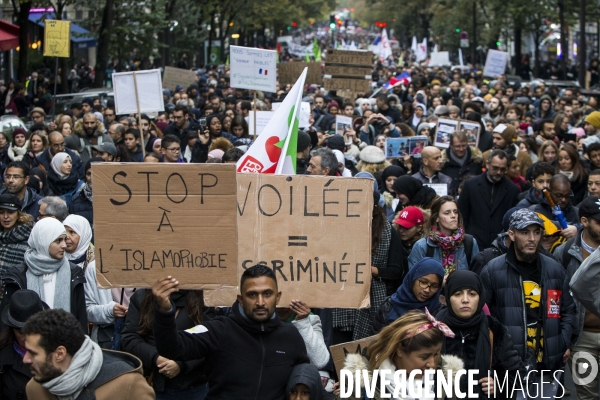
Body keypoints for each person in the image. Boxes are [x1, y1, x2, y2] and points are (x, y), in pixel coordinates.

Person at [152, 265, 310, 399]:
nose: (260, 302)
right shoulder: (220, 330)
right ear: (241, 299)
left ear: (278, 297)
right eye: (252, 295)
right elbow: (172, 348)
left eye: (267, 294)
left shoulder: (291, 336)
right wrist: (164, 311)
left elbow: (305, 378)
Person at [481, 209, 575, 398]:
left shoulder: (554, 268)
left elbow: (568, 309)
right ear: (511, 234)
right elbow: (484, 315)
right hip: (509, 364)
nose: (532, 238)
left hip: (547, 363)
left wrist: (562, 341)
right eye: (525, 232)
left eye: (537, 232)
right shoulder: (493, 270)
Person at [22, 309, 154, 400]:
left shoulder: (127, 384)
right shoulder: (35, 388)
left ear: (60, 354)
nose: (25, 359)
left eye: (33, 353)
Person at [436, 270, 524, 398]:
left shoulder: (494, 330)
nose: (465, 300)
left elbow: (517, 373)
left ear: (480, 297)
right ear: (448, 297)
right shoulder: (435, 327)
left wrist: (498, 383)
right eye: (457, 294)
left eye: (472, 294)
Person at [332, 195, 403, 340]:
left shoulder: (387, 230)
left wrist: (372, 271)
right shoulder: (339, 226)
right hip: (342, 301)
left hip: (373, 299)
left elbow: (396, 270)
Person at [340, 309, 452, 399]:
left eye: (436, 354)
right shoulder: (359, 382)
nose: (432, 364)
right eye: (424, 357)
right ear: (399, 350)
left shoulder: (443, 377)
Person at [121, 287, 211, 399]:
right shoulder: (142, 296)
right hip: (153, 384)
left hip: (194, 386)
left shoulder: (205, 297)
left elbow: (210, 339)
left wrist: (181, 365)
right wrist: (156, 358)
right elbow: (129, 337)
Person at [0, 218, 87, 332]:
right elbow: (8, 322)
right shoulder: (18, 275)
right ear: (43, 241)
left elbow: (80, 318)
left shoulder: (74, 273)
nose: (64, 245)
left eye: (64, 240)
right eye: (58, 241)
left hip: (66, 345)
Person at [554, 197, 600, 400]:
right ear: (585, 221)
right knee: (587, 394)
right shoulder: (564, 253)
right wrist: (562, 338)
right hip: (583, 338)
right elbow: (556, 299)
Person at [458, 150, 520, 249]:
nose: (498, 172)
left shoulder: (513, 190)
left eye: (502, 169)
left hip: (500, 245)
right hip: (473, 242)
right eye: (495, 168)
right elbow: (462, 214)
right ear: (487, 164)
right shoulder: (471, 185)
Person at [409, 196, 479, 274]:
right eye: (447, 213)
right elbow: (414, 278)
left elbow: (476, 277)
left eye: (455, 212)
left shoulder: (469, 243)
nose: (453, 216)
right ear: (436, 218)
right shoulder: (422, 246)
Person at [373, 257, 444, 333]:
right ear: (412, 279)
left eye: (434, 286)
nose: (427, 290)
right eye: (423, 282)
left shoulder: (440, 312)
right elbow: (377, 341)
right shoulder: (388, 306)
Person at [0, 289, 49, 400]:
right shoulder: (3, 361)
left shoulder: (58, 354)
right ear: (12, 329)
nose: (27, 337)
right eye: (21, 332)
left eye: (32, 330)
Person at [441, 130, 483, 197]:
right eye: (457, 146)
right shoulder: (443, 163)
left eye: (464, 146)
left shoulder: (476, 160)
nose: (461, 149)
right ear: (451, 145)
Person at [0, 194, 33, 278]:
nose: (6, 217)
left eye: (10, 212)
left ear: (19, 214)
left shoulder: (29, 240)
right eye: (1, 212)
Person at [69, 157, 100, 228]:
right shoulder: (76, 200)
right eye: (89, 174)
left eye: (96, 173)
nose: (91, 177)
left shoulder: (114, 199)